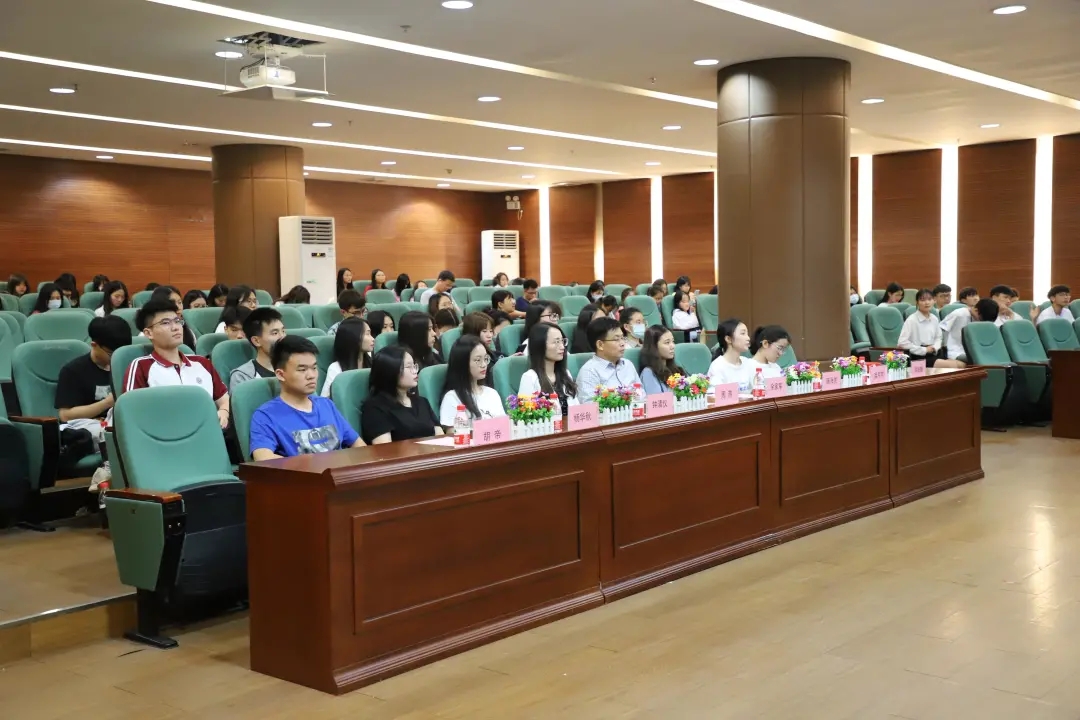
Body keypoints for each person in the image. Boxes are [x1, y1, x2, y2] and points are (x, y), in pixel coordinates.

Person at [249, 336, 364, 459]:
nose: (311, 375)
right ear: (280, 374)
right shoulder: (266, 415)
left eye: (314, 368)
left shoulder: (327, 405)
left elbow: (358, 444)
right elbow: (262, 457)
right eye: (302, 370)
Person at [124, 299, 231, 428]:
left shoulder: (202, 363)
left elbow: (224, 398)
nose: (175, 327)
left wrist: (224, 412)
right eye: (165, 323)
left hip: (206, 431)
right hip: (163, 435)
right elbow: (131, 411)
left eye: (177, 321)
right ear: (148, 333)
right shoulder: (141, 367)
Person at [55, 316, 132, 443]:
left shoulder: (130, 365)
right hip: (89, 428)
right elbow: (65, 415)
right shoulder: (73, 370)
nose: (117, 357)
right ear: (94, 345)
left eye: (121, 352)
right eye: (111, 354)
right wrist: (107, 403)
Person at [360, 345, 443, 444]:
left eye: (414, 366)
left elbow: (441, 438)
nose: (415, 371)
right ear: (391, 371)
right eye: (409, 367)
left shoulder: (422, 402)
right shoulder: (375, 408)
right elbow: (384, 449)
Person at [439, 336, 505, 427]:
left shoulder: (492, 393)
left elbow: (503, 427)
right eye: (478, 360)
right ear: (462, 363)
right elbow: (452, 433)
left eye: (486, 359)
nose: (484, 365)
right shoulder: (452, 397)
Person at [575, 317, 641, 403]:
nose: (622, 343)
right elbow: (589, 405)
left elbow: (641, 393)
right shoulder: (589, 372)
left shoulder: (628, 365)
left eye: (623, 338)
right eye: (616, 339)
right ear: (600, 345)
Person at [519, 322, 578, 416]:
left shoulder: (566, 373)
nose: (562, 347)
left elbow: (577, 409)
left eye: (562, 341)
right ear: (540, 345)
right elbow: (526, 417)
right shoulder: (530, 378)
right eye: (556, 342)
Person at [898, 289, 963, 368]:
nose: (927, 302)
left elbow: (938, 337)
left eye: (929, 299)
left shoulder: (934, 318)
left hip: (934, 353)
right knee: (953, 366)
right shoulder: (911, 320)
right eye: (922, 300)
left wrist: (935, 347)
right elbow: (902, 343)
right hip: (918, 356)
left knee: (961, 364)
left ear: (934, 301)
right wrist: (924, 350)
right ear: (917, 302)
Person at [229, 307, 285, 392]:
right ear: (256, 341)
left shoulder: (295, 367)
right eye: (275, 333)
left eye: (283, 331)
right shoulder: (242, 377)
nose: (282, 337)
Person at [322, 317, 373, 398]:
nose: (373, 339)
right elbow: (325, 400)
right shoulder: (335, 368)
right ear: (353, 337)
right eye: (367, 334)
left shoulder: (373, 362)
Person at [941, 298, 1000, 365]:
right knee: (979, 359)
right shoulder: (959, 314)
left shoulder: (984, 318)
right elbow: (942, 329)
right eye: (980, 319)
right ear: (976, 310)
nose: (981, 322)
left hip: (977, 351)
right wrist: (944, 348)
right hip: (956, 350)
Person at [707, 318, 754, 392]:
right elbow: (714, 396)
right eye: (743, 333)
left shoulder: (748, 363)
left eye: (747, 334)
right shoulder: (717, 366)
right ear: (728, 339)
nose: (748, 338)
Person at [640, 326, 685, 395]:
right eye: (667, 342)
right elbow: (657, 400)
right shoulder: (648, 373)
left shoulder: (676, 369)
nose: (673, 346)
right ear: (654, 346)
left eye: (673, 341)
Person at [150, 285, 197, 350]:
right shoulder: (150, 332)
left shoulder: (188, 331)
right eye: (172, 303)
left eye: (179, 302)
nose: (178, 307)